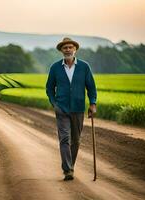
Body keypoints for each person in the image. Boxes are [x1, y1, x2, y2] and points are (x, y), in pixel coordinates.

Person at [46, 37, 97, 181]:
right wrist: (54, 103)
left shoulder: (84, 67)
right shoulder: (55, 67)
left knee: (76, 140)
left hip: (78, 109)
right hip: (61, 108)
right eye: (65, 48)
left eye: (70, 47)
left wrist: (92, 104)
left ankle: (70, 166)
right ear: (61, 50)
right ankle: (68, 170)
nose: (68, 50)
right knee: (65, 139)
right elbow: (49, 88)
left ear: (75, 49)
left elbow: (91, 87)